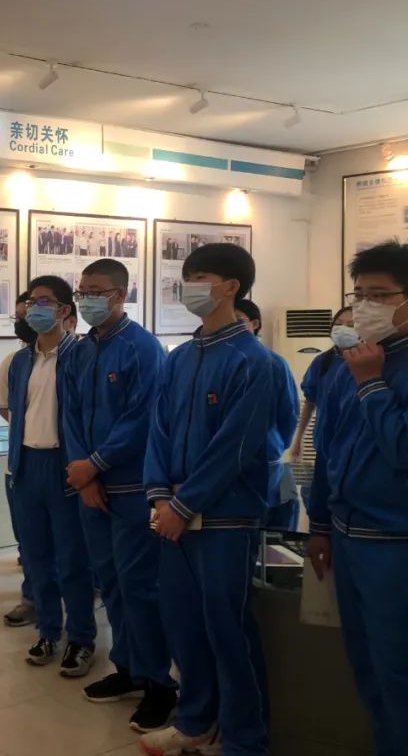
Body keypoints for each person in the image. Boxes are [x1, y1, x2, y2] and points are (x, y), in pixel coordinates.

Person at [140, 242, 271, 756]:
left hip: (224, 519)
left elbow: (234, 447)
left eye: (200, 277)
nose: (188, 285)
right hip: (172, 516)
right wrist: (159, 497)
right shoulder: (180, 357)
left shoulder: (252, 361)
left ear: (231, 287)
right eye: (187, 275)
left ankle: (244, 738)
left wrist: (182, 505)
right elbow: (159, 429)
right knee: (184, 625)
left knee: (228, 630)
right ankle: (195, 721)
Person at [62, 259, 176, 731]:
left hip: (131, 488)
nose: (87, 298)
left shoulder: (143, 348)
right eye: (82, 290)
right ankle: (128, 669)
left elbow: (142, 418)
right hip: (91, 489)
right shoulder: (80, 350)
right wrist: (84, 476)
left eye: (96, 291)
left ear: (120, 295)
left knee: (139, 586)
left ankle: (160, 684)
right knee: (109, 583)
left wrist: (96, 464)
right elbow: (69, 414)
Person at [306, 241, 408, 756]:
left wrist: (371, 385)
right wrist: (320, 524)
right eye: (358, 294)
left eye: (380, 295)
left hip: (394, 542)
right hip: (347, 537)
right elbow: (327, 448)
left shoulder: (374, 368)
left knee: (398, 672)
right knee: (365, 666)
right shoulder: (348, 361)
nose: (365, 305)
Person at [7, 276, 98, 676]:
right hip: (27, 466)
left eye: (44, 301)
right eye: (31, 301)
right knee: (36, 557)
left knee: (72, 558)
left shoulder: (81, 356)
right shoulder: (21, 360)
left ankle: (81, 638)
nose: (34, 308)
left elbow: (87, 415)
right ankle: (47, 630)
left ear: (64, 310)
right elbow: (16, 414)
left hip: (66, 467)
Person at [235, 299, 301, 531]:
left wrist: (274, 444)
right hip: (227, 464)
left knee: (273, 531)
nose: (231, 325)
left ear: (255, 324)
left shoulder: (273, 363)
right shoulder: (214, 361)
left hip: (267, 458)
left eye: (238, 320)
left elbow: (288, 414)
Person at [0, 292, 38, 627]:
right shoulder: (14, 361)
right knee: (29, 538)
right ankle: (33, 598)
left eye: (30, 315)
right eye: (19, 318)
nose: (24, 323)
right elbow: (3, 405)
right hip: (20, 462)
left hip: (63, 466)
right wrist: (29, 428)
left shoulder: (75, 357)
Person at [291, 307, 355, 463]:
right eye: (338, 324)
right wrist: (298, 438)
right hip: (325, 446)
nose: (343, 329)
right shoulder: (322, 362)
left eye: (351, 325)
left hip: (355, 450)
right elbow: (310, 403)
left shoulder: (368, 362)